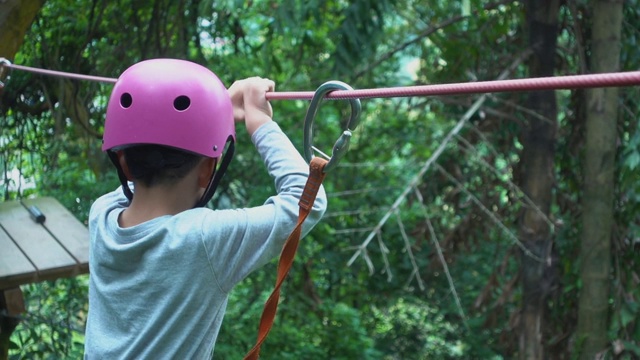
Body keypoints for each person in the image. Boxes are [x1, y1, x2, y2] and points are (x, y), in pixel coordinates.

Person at [84, 58, 327, 359]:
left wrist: (215, 106)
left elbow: (148, 159)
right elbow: (307, 201)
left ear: (123, 162)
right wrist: (260, 122)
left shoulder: (102, 215)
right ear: (207, 170)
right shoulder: (202, 240)